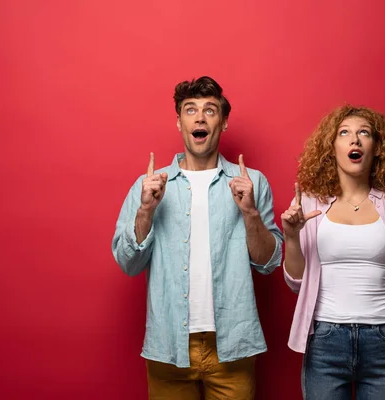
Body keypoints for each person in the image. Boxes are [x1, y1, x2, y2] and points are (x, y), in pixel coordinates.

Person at [112, 76, 283, 399]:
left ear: (224, 122)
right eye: (190, 110)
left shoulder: (252, 182)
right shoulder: (149, 186)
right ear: (179, 122)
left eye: (210, 110)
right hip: (169, 345)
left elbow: (268, 263)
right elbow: (128, 263)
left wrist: (250, 213)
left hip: (233, 343)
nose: (200, 117)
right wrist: (145, 211)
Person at [281, 105, 385, 399]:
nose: (354, 140)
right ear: (332, 148)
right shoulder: (309, 204)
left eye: (363, 133)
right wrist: (291, 237)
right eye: (344, 133)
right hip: (325, 337)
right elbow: (297, 282)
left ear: (377, 148)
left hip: (384, 338)